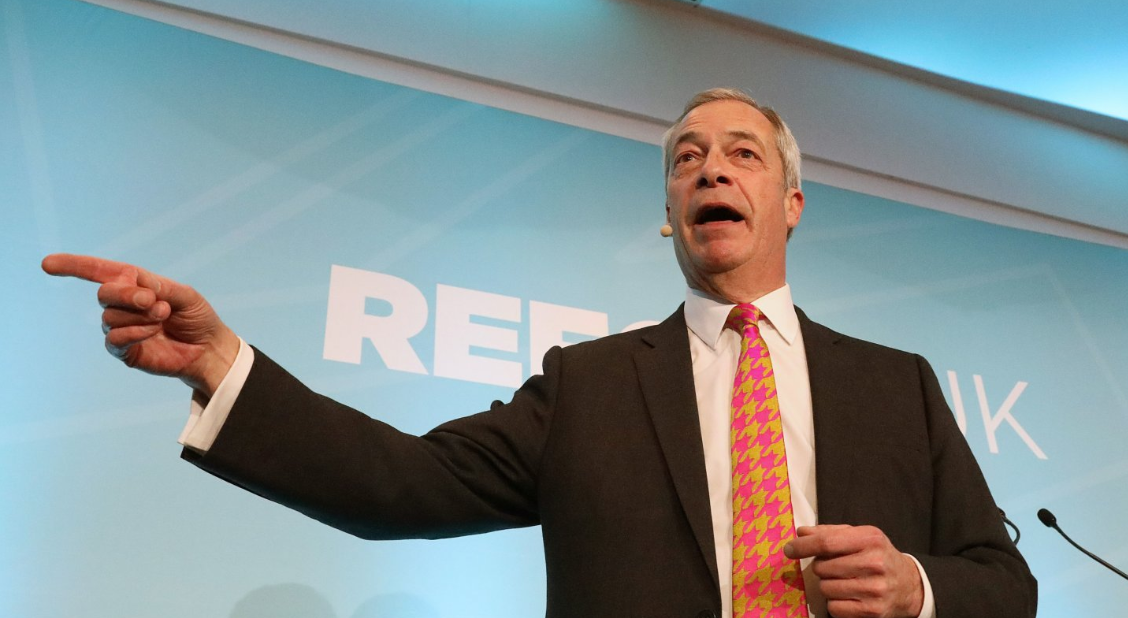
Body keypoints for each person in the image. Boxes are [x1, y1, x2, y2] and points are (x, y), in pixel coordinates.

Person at [43, 88, 1036, 618]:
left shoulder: (895, 385)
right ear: (669, 217)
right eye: (685, 158)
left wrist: (916, 589)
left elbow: (1006, 584)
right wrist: (221, 361)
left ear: (791, 204)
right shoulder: (589, 386)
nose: (709, 168)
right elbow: (403, 483)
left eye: (742, 153)